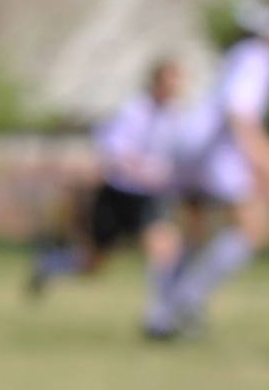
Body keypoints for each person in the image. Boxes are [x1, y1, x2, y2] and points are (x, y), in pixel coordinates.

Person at [145, 1, 269, 340]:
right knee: (254, 228)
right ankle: (185, 301)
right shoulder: (260, 57)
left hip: (190, 144)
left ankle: (160, 314)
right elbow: (239, 111)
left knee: (191, 232)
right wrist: (263, 157)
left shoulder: (238, 53)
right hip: (216, 152)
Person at [28, 54, 187, 297]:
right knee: (93, 263)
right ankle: (50, 264)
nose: (175, 87)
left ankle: (160, 316)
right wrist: (143, 170)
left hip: (150, 196)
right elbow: (114, 152)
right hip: (119, 194)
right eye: (170, 80)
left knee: (163, 246)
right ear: (156, 81)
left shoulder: (174, 115)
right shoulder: (134, 111)